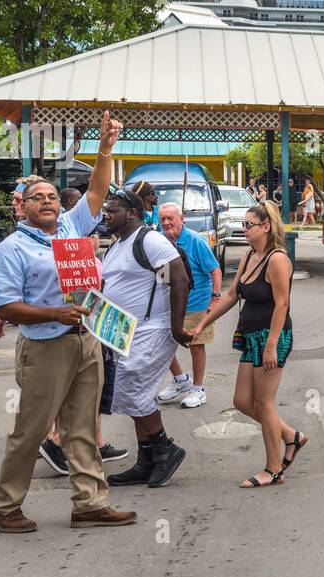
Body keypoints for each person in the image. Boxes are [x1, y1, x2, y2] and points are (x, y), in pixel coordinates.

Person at [0, 112, 136, 532]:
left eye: (52, 196)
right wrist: (55, 313)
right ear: (22, 206)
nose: (48, 202)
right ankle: (3, 504)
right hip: (46, 346)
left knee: (83, 426)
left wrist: (106, 148)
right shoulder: (11, 250)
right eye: (38, 198)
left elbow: (97, 189)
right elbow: (6, 307)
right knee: (31, 431)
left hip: (86, 339)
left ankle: (90, 502)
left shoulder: (70, 227)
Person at [191, 201, 306, 488]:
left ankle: (274, 468)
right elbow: (231, 295)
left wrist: (271, 345)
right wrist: (204, 322)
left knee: (264, 403)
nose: (244, 229)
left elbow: (282, 304)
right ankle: (291, 436)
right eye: (243, 224)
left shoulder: (277, 259)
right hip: (250, 337)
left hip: (271, 338)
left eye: (249, 225)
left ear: (266, 227)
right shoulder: (249, 256)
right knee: (242, 401)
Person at [97, 190, 193, 488]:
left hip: (154, 328)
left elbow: (178, 279)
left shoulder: (149, 240)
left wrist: (176, 327)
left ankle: (165, 450)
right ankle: (147, 460)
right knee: (130, 393)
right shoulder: (116, 246)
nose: (106, 215)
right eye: (105, 210)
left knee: (134, 389)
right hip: (123, 331)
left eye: (112, 210)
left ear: (133, 213)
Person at [156, 202, 222, 409]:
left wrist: (216, 298)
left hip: (196, 303)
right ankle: (180, 379)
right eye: (162, 219)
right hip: (170, 304)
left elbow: (215, 270)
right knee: (161, 344)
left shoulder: (195, 241)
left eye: (170, 218)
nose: (166, 223)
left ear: (181, 218)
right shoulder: (159, 240)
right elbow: (161, 273)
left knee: (196, 345)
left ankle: (198, 388)